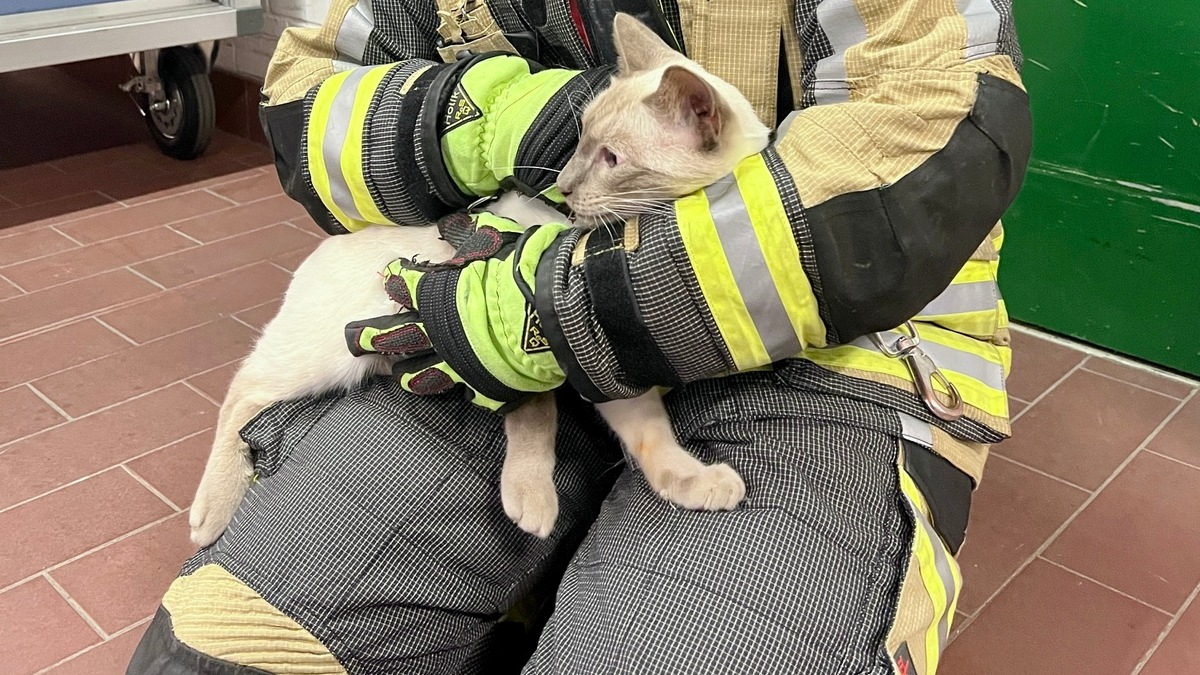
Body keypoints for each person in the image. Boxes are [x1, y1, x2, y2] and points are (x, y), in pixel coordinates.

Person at [127, 1, 1031, 673]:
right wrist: (481, 124)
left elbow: (930, 133)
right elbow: (305, 112)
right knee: (225, 645)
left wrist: (565, 309)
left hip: (833, 349)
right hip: (497, 308)